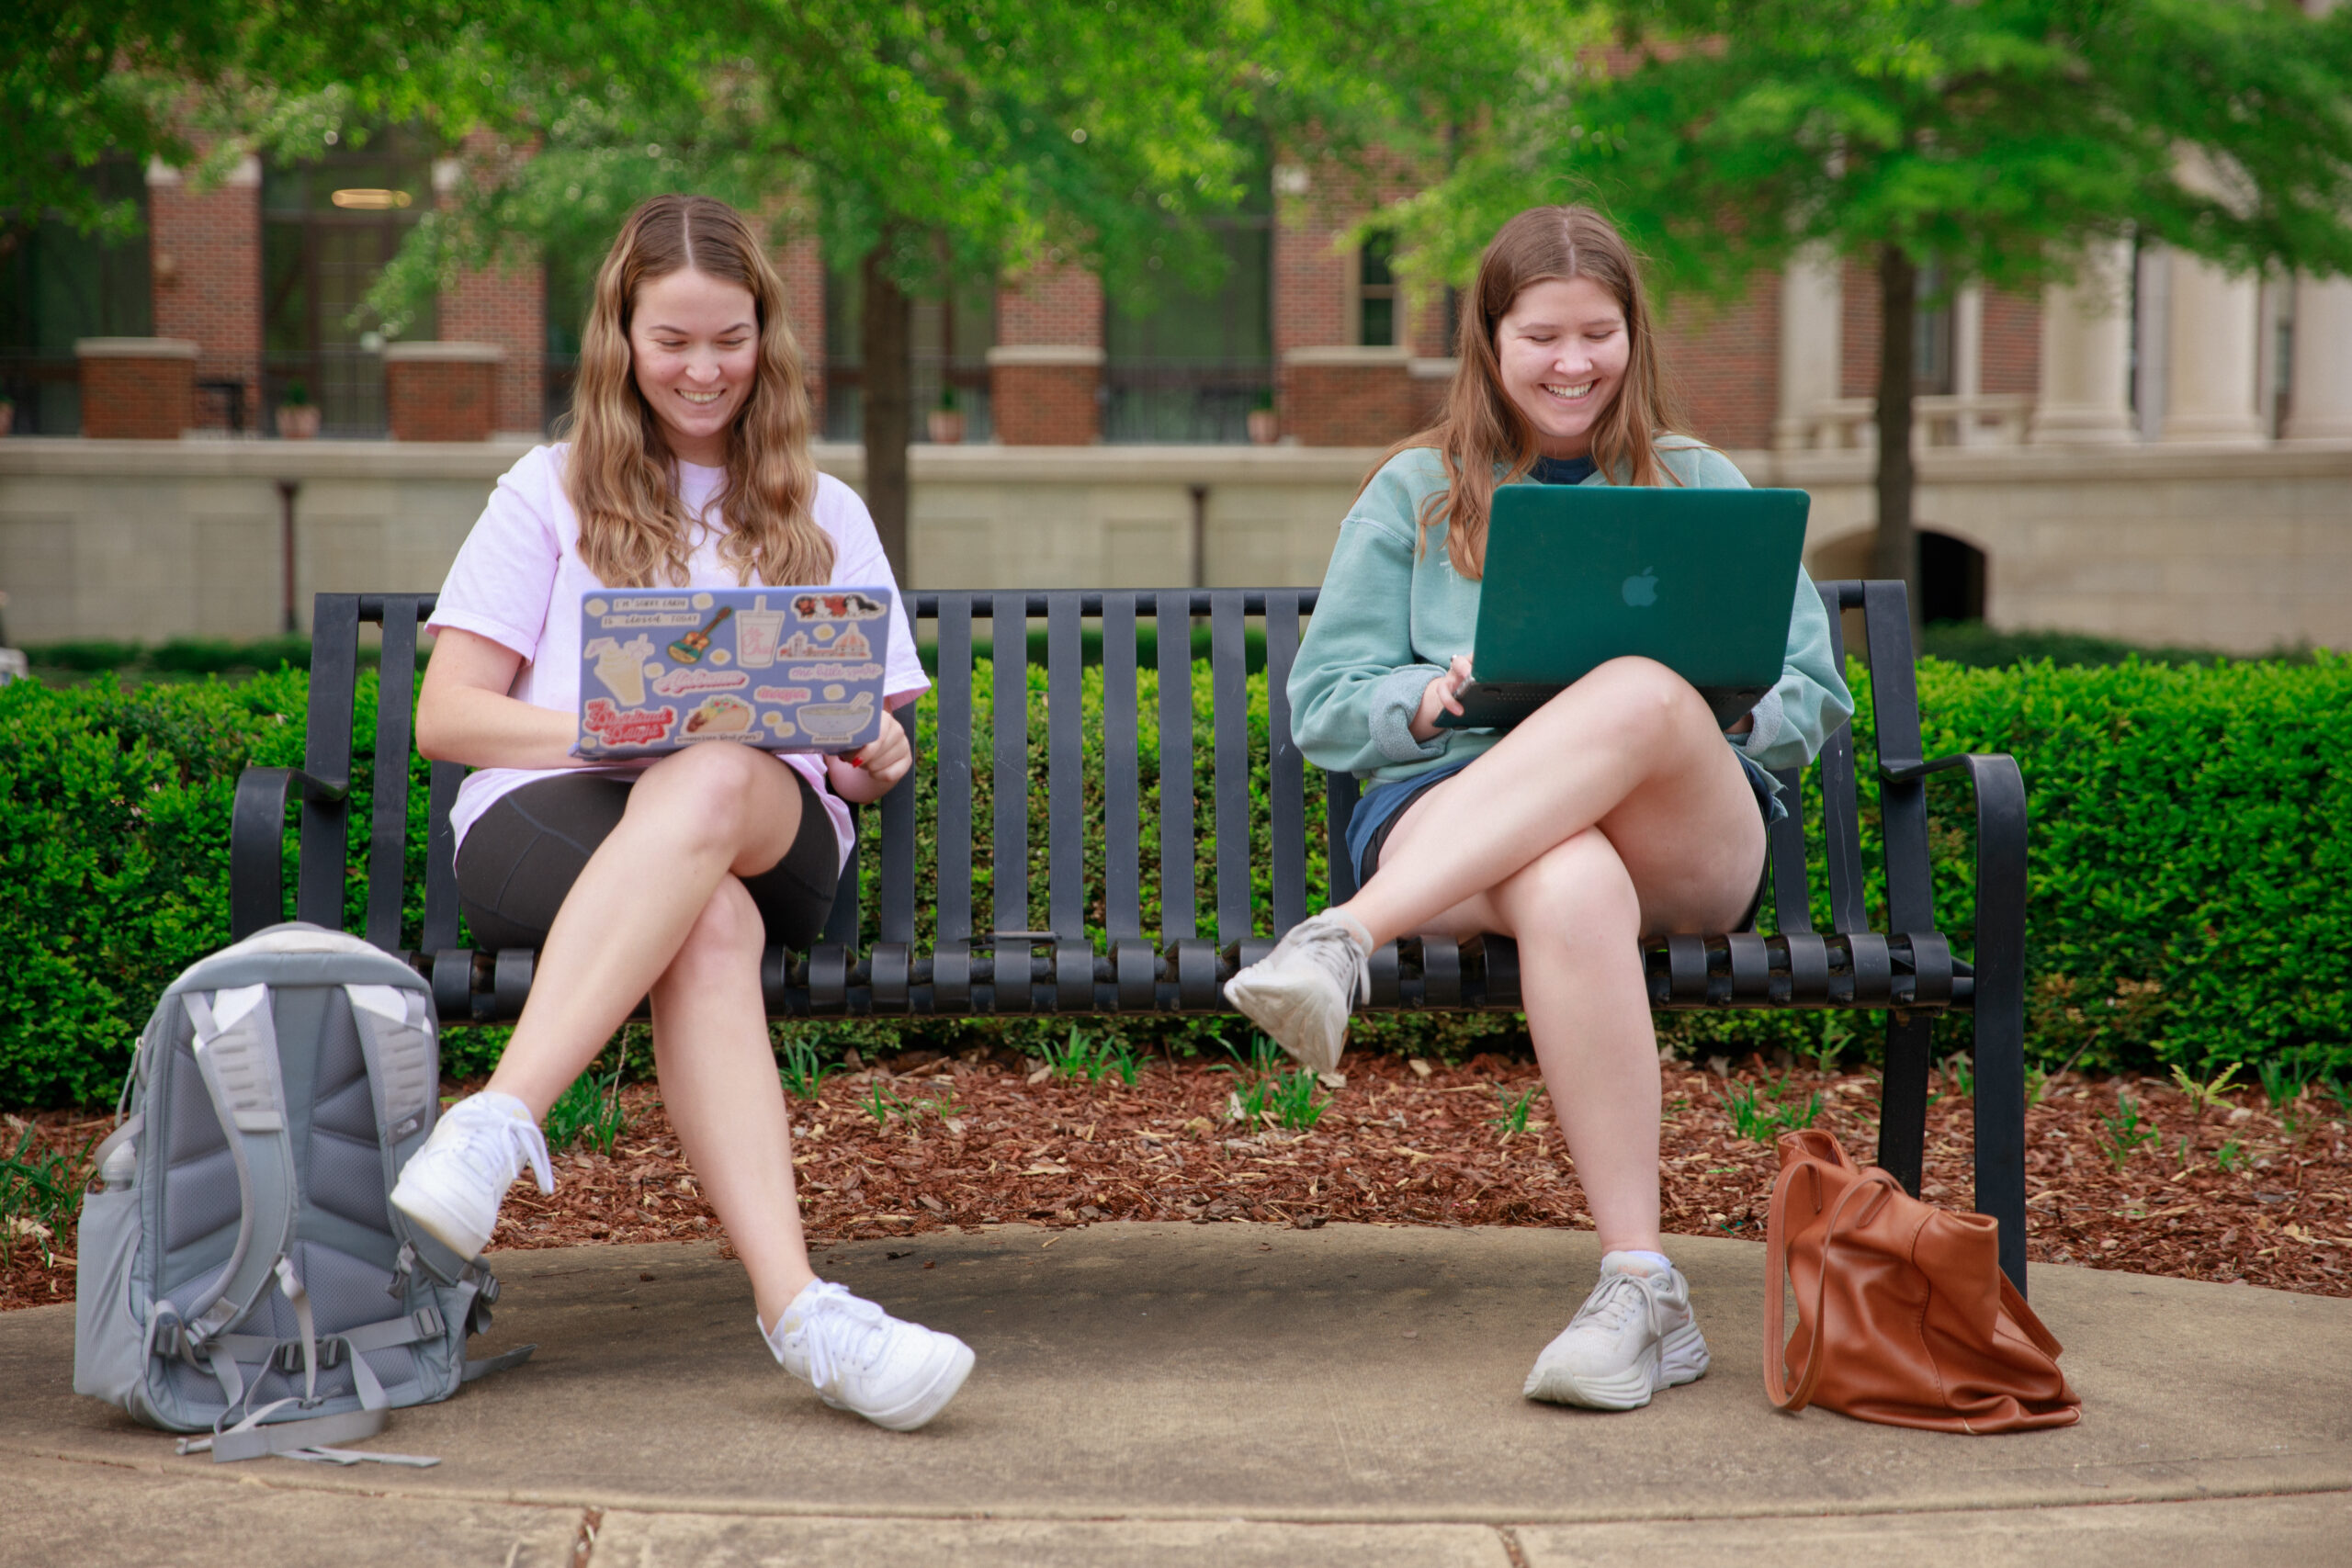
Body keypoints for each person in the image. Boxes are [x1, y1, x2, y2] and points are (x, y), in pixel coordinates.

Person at [1224, 205, 1850, 1412]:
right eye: (1544, 336)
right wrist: (1427, 695)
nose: (1574, 363)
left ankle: (1345, 938)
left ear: (1634, 336)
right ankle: (1641, 1289)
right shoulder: (1417, 491)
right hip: (1462, 821)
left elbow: (1813, 691)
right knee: (1566, 875)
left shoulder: (1702, 482)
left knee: (1637, 688)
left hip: (1683, 836)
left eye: (1599, 334)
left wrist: (1701, 717)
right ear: (1491, 340)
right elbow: (1323, 705)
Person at [390, 194, 972, 1432]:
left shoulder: (824, 510)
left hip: (769, 824)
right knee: (701, 914)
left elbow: (875, 754)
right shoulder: (545, 493)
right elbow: (450, 718)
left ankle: (496, 1124)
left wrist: (874, 748)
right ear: (621, 339)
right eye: (674, 341)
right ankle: (802, 1312)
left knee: (709, 776)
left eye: (731, 338)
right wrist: (619, 730)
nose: (705, 369)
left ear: (768, 339)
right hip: (550, 823)